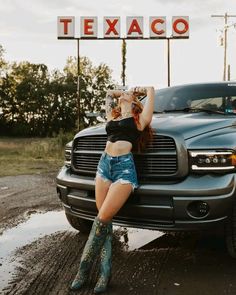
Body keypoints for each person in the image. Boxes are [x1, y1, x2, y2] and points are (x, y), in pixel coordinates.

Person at [70, 86, 155, 293]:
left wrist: (135, 91)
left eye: (127, 94)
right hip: (103, 166)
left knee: (101, 221)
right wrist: (122, 93)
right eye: (122, 93)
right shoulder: (113, 116)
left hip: (124, 171)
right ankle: (105, 274)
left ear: (135, 102)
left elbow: (151, 90)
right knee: (104, 224)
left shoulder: (139, 120)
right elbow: (108, 93)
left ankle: (82, 270)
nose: (122, 93)